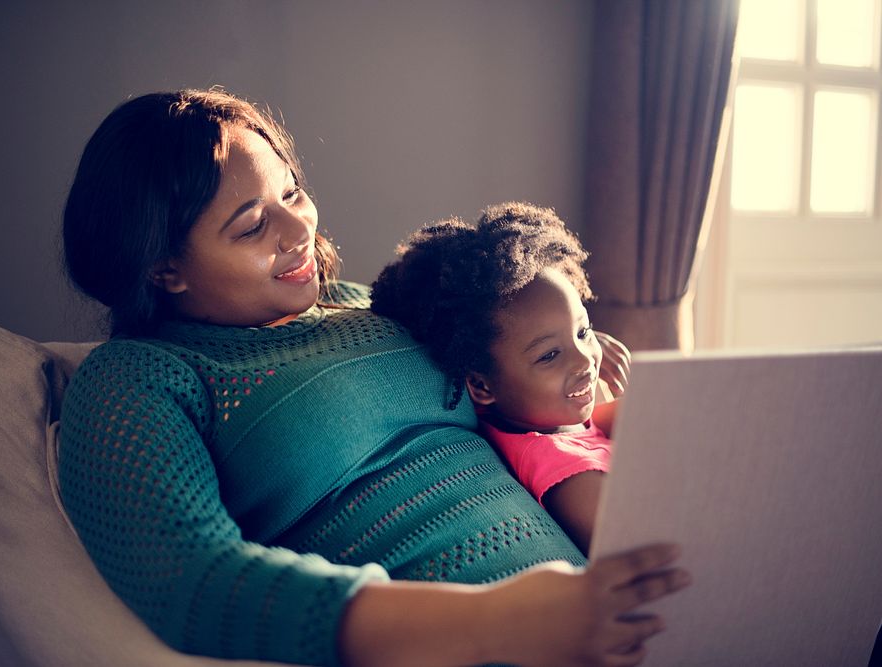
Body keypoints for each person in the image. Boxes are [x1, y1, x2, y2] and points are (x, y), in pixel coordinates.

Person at [59, 88, 690, 667]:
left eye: (292, 194)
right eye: (252, 225)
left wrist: (571, 353)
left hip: (611, 624)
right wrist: (494, 623)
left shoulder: (378, 306)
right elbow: (190, 582)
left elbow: (513, 398)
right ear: (164, 267)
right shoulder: (137, 377)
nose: (298, 228)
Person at [371, 203, 625, 554]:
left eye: (584, 331)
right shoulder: (566, 474)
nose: (585, 360)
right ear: (482, 386)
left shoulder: (556, 415)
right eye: (549, 355)